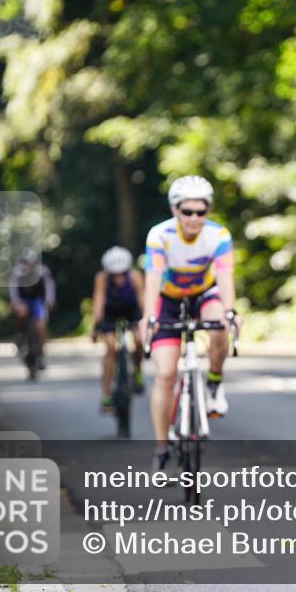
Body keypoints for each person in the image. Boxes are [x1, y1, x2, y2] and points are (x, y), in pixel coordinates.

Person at [137, 176, 239, 475]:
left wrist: (231, 312)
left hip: (203, 294)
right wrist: (147, 317)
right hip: (167, 299)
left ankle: (214, 382)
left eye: (201, 211)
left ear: (208, 211)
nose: (194, 218)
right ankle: (160, 449)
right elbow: (153, 277)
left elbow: (225, 276)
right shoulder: (160, 235)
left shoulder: (218, 235)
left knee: (221, 323)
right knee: (166, 373)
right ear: (175, 210)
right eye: (187, 211)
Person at [90, 246, 145, 413]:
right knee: (110, 346)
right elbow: (99, 301)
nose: (119, 278)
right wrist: (96, 326)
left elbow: (143, 300)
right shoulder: (101, 278)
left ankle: (137, 371)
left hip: (131, 309)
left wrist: (145, 323)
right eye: (114, 275)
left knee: (139, 340)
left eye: (122, 274)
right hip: (111, 311)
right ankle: (107, 395)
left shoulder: (135, 276)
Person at [8, 249, 56, 370]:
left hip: (37, 300)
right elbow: (13, 289)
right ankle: (20, 336)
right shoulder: (17, 272)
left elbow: (49, 287)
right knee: (20, 314)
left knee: (41, 326)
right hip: (23, 300)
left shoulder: (43, 272)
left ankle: (40, 355)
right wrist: (16, 303)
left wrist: (49, 301)